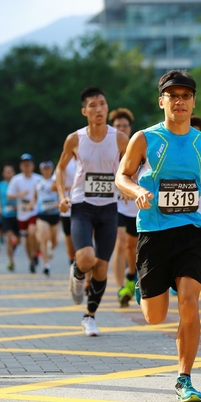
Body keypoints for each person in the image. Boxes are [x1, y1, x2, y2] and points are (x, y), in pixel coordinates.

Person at [116, 69, 201, 402]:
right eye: (173, 96)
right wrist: (137, 190)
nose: (179, 102)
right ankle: (142, 285)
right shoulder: (145, 138)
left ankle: (185, 378)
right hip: (154, 233)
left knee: (189, 301)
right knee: (155, 317)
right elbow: (122, 176)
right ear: (162, 101)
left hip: (191, 231)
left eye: (186, 96)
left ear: (193, 102)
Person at [55, 86, 128, 337]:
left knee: (101, 267)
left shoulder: (119, 138)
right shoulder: (75, 139)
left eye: (102, 104)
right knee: (87, 258)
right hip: (82, 205)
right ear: (84, 111)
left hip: (109, 207)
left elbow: (134, 165)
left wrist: (129, 186)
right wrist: (62, 197)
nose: (99, 109)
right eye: (93, 105)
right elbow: (60, 168)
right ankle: (76, 275)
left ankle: (89, 316)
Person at [109, 108, 138, 307]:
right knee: (119, 244)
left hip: (136, 207)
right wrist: (120, 187)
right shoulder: (107, 151)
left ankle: (131, 277)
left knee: (132, 247)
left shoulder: (138, 147)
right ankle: (121, 287)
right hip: (116, 205)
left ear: (130, 128)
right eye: (118, 126)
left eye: (125, 126)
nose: (121, 129)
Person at [7, 154, 41, 273]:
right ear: (20, 166)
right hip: (22, 213)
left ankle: (36, 253)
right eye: (24, 164)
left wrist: (34, 202)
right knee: (26, 238)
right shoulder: (16, 180)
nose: (26, 167)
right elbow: (9, 195)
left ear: (33, 166)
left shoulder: (38, 179)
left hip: (34, 211)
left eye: (28, 164)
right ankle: (31, 260)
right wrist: (20, 195)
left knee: (32, 232)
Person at [32, 161, 60, 276]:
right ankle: (46, 264)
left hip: (54, 214)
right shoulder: (38, 183)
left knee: (54, 241)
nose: (46, 170)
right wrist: (30, 205)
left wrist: (60, 202)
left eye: (48, 168)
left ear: (52, 169)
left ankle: (50, 249)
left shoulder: (56, 181)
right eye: (44, 168)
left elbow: (62, 193)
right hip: (42, 214)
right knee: (44, 238)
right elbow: (34, 197)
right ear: (41, 170)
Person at [0, 163, 20, 271]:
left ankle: (15, 246)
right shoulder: (0, 185)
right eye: (6, 172)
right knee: (8, 238)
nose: (8, 174)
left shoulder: (17, 183)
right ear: (3, 173)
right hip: (6, 215)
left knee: (18, 240)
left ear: (13, 173)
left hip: (18, 215)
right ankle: (11, 261)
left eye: (10, 172)